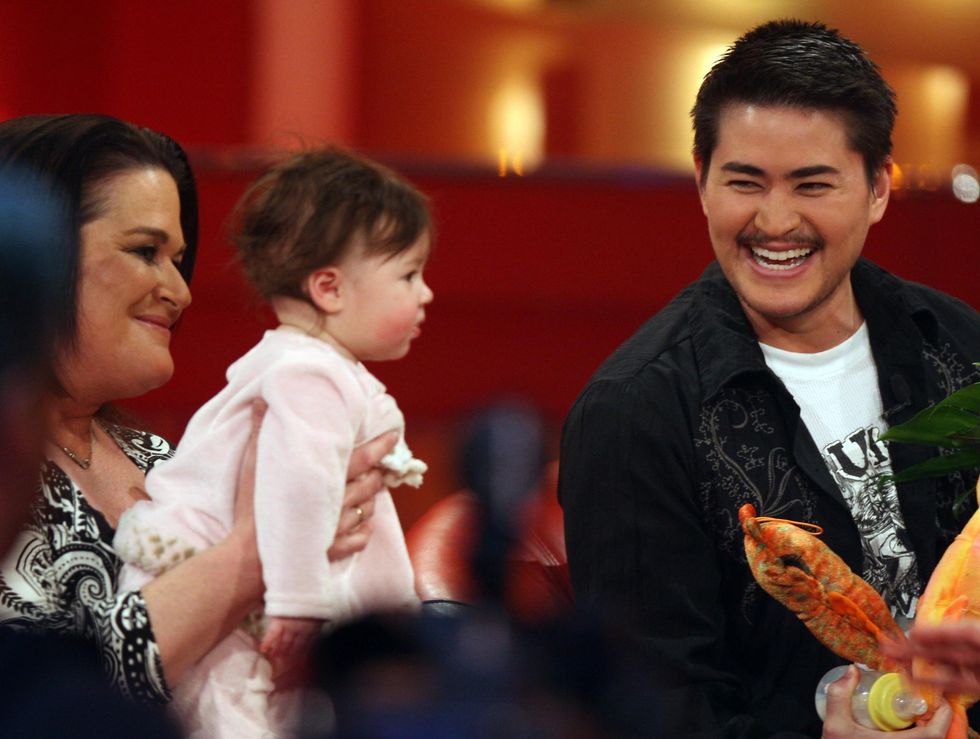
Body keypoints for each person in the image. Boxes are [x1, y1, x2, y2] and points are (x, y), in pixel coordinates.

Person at [558, 20, 980, 737]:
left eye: (812, 185)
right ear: (700, 181)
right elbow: (648, 707)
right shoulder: (635, 409)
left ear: (878, 187)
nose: (775, 221)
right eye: (744, 182)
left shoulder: (960, 344)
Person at [0, 115, 392, 715]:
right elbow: (44, 700)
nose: (179, 291)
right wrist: (258, 551)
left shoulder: (164, 458)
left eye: (177, 259)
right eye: (144, 251)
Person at [112, 147, 433, 737]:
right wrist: (299, 602)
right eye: (409, 274)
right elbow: (298, 485)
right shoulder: (309, 372)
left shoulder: (307, 364)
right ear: (329, 288)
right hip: (234, 606)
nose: (426, 294)